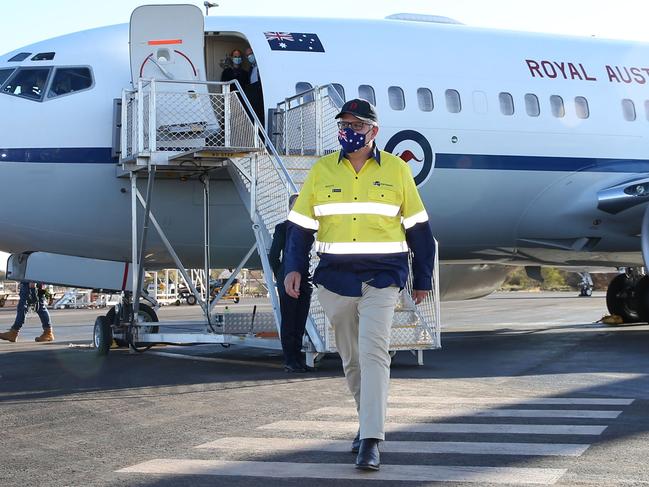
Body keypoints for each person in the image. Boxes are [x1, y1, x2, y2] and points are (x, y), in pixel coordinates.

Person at [283, 99, 435, 471]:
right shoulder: (321, 171)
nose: (348, 131)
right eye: (344, 124)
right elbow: (300, 227)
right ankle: (365, 421)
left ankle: (371, 439)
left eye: (356, 125)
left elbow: (418, 227)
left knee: (374, 354)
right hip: (335, 280)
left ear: (373, 131)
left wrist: (423, 277)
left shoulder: (398, 171)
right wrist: (293, 267)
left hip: (383, 277)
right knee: (351, 360)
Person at [269, 194, 312, 372]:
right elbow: (273, 256)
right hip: (287, 278)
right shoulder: (282, 228)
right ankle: (289, 359)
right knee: (289, 319)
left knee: (300, 319)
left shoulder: (308, 228)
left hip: (304, 277)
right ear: (290, 208)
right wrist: (281, 273)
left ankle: (298, 358)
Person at [243, 47, 265, 126]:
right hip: (253, 94)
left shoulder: (262, 67)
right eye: (247, 55)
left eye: (251, 54)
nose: (249, 56)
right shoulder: (251, 68)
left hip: (260, 95)